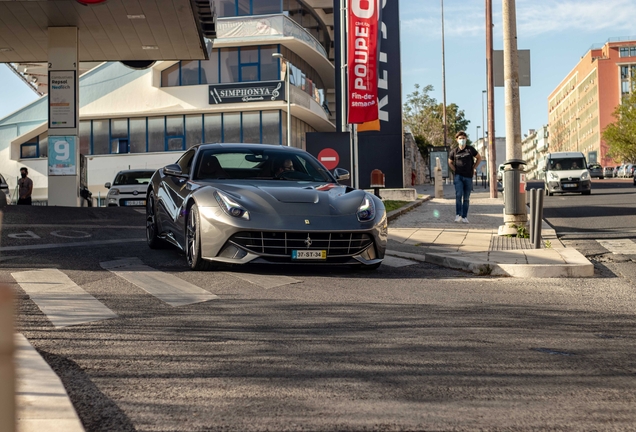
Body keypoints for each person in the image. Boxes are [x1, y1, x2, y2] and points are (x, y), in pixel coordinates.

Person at [448, 131, 481, 223]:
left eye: (463, 138)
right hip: (458, 176)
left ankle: (464, 216)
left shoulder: (470, 149)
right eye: (460, 138)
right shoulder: (454, 151)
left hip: (468, 177)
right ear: (457, 140)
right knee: (458, 195)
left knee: (466, 197)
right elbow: (450, 162)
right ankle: (458, 215)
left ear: (466, 139)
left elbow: (479, 158)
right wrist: (454, 169)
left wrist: (474, 167)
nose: (462, 140)